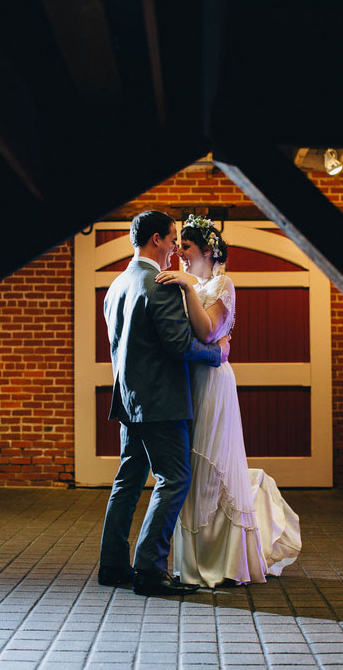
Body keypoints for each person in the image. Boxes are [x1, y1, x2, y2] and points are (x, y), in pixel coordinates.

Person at [156, 214, 301, 588]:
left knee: (211, 461)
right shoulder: (193, 281)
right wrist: (187, 286)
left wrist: (188, 288)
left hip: (214, 383)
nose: (180, 255)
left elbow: (209, 331)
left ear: (208, 250)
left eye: (185, 247)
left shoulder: (223, 283)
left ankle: (224, 560)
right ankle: (193, 560)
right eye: (179, 247)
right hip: (190, 382)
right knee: (191, 466)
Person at [98, 210, 231, 596]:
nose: (175, 247)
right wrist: (216, 355)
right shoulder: (160, 285)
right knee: (174, 479)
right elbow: (177, 345)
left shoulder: (117, 285)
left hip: (129, 400)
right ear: (156, 239)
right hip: (161, 402)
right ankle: (150, 569)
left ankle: (112, 565)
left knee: (128, 479)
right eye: (172, 239)